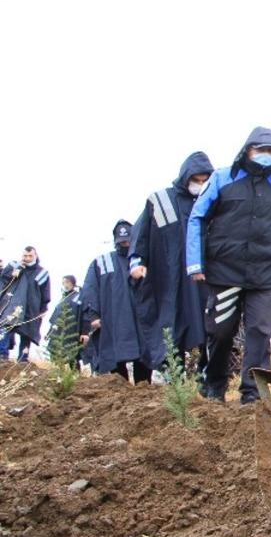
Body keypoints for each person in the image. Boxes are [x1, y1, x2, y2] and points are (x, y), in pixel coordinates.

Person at [186, 127, 271, 404]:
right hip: (225, 270)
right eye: (261, 150)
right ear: (247, 150)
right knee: (221, 330)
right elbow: (197, 218)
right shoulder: (221, 179)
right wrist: (195, 263)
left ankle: (253, 392)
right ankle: (214, 384)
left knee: (260, 332)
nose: (266, 155)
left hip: (265, 274)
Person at [129, 151, 214, 380]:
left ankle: (207, 377)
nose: (199, 185)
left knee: (209, 326)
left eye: (205, 180)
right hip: (168, 280)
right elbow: (141, 236)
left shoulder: (214, 202)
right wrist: (137, 262)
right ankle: (170, 377)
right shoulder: (160, 201)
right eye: (195, 180)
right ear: (185, 177)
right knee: (169, 326)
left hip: (203, 279)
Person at [82, 222, 149, 381]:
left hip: (141, 321)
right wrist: (93, 315)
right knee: (115, 368)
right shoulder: (101, 262)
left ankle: (144, 393)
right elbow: (90, 289)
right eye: (122, 242)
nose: (125, 244)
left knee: (144, 362)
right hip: (112, 321)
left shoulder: (144, 260)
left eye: (128, 240)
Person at [0, 247, 51, 361]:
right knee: (5, 327)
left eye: (30, 256)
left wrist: (43, 309)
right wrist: (17, 268)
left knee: (27, 332)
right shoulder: (14, 265)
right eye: (25, 256)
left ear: (35, 256)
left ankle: (23, 359)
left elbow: (45, 292)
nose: (27, 258)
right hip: (12, 304)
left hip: (31, 307)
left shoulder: (42, 273)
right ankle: (2, 355)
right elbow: (4, 278)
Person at [46, 275, 87, 368]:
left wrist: (84, 331)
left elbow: (83, 314)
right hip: (58, 332)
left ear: (73, 283)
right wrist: (49, 332)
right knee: (56, 355)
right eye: (64, 283)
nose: (65, 285)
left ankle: (76, 375)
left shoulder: (78, 297)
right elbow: (55, 318)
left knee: (72, 355)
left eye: (68, 282)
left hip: (71, 330)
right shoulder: (62, 299)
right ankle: (59, 375)